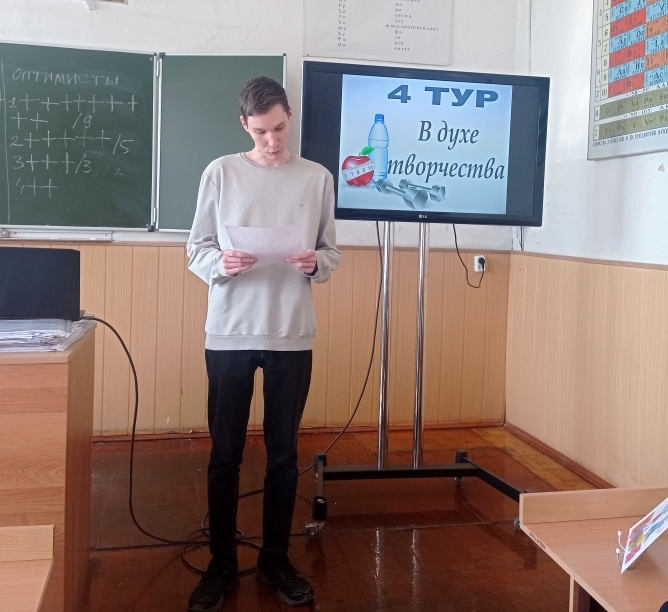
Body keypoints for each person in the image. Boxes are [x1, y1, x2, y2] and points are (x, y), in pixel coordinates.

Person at [185, 76, 340, 611]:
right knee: (225, 453)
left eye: (278, 128)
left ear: (289, 115)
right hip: (229, 331)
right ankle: (222, 560)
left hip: (291, 332)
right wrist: (220, 262)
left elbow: (331, 252)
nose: (271, 141)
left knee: (283, 454)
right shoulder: (221, 172)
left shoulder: (317, 178)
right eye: (260, 132)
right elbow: (197, 248)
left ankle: (276, 558)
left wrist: (316, 262)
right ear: (244, 126)